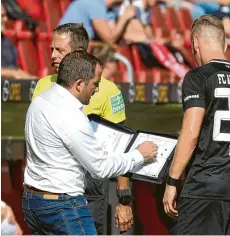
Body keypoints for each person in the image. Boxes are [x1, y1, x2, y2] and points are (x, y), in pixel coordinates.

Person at [22, 51, 158, 235]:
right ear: (79, 84)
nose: (97, 89)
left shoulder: (39, 101)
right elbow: (99, 169)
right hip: (62, 205)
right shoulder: (71, 116)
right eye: (95, 83)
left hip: (33, 202)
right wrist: (139, 155)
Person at [163, 14, 230, 235]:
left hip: (205, 187)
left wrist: (172, 181)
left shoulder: (198, 77)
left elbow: (191, 132)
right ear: (225, 44)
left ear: (195, 44)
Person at [32, 23, 134, 235]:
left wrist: (124, 200)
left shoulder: (107, 91)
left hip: (90, 190)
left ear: (78, 53)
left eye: (59, 50)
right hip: (48, 191)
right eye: (51, 49)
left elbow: (121, 146)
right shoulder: (42, 86)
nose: (52, 55)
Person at [1, 3, 37, 79]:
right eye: (2, 16)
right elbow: (13, 72)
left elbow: (13, 68)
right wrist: (13, 73)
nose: (6, 19)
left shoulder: (6, 41)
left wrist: (30, 78)